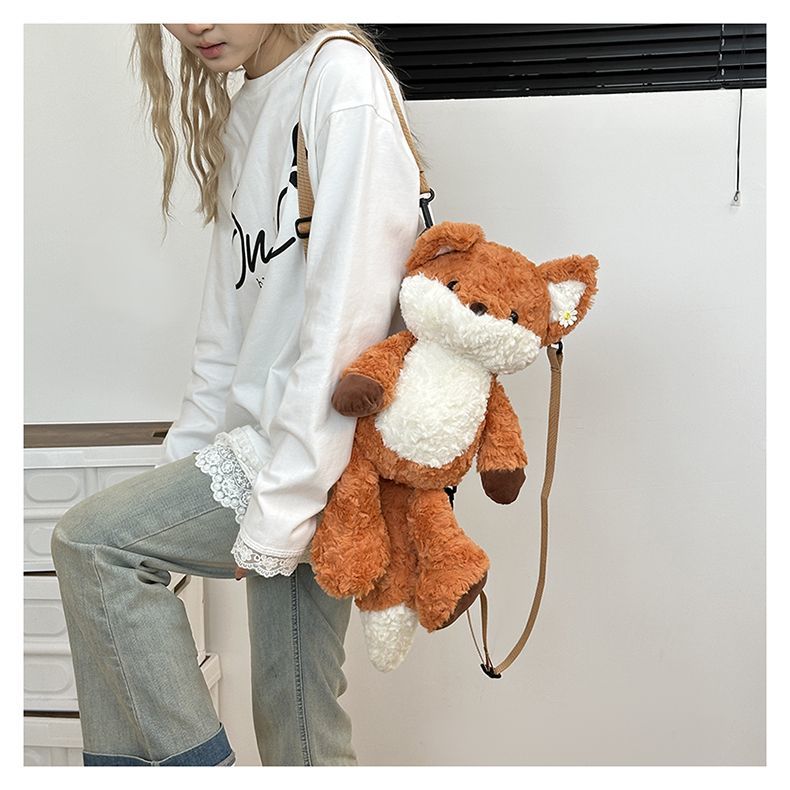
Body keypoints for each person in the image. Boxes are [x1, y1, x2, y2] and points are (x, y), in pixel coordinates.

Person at [50, 23, 424, 766]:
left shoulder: (339, 80)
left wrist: (284, 504)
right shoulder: (246, 109)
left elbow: (350, 319)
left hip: (321, 453)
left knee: (92, 543)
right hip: (275, 448)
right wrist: (180, 468)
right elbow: (226, 333)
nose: (194, 22)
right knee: (297, 723)